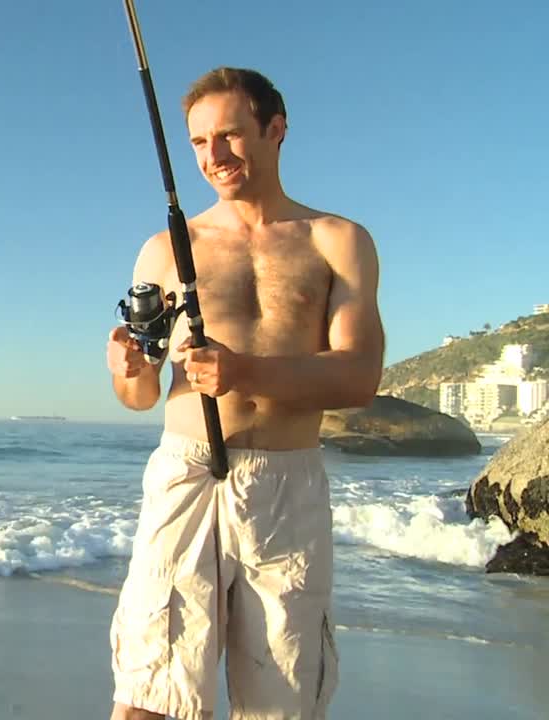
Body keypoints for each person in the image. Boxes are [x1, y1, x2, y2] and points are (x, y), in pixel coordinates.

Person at [104, 67, 385, 720]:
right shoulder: (166, 250)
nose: (213, 157)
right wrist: (126, 366)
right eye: (199, 143)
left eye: (229, 136)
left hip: (289, 485)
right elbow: (140, 394)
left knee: (284, 703)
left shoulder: (337, 240)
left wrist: (242, 372)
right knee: (149, 698)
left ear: (276, 130)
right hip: (187, 475)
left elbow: (359, 376)